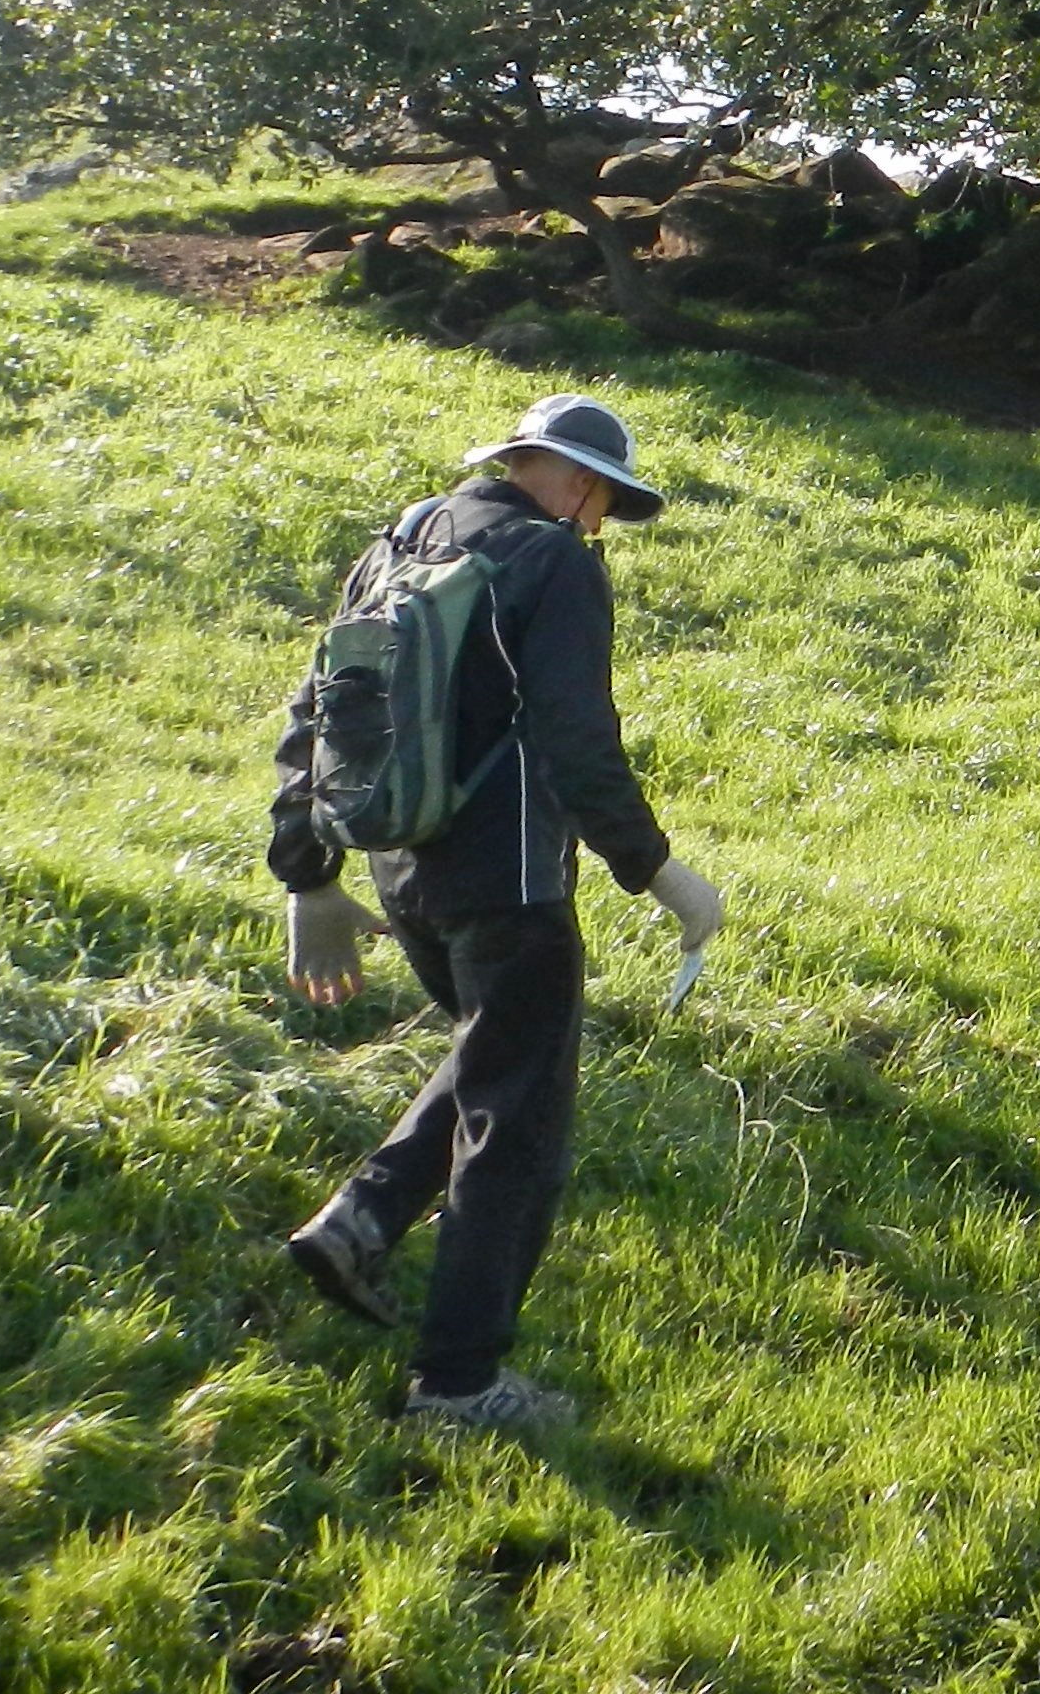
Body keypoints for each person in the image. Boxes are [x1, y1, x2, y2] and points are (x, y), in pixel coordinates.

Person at [266, 392, 723, 1432]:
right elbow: (578, 743)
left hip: (401, 870)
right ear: (572, 478)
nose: (596, 520)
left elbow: (318, 705)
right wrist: (659, 874)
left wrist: (309, 873)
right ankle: (460, 1383)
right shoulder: (554, 563)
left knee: (493, 1058)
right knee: (517, 1129)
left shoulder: (410, 534)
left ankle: (361, 1222)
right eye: (600, 500)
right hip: (510, 885)